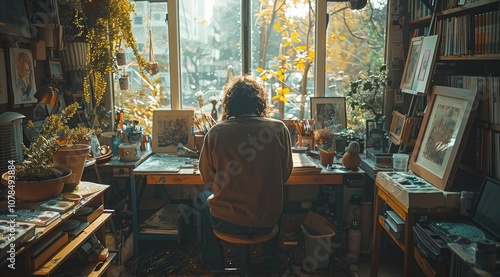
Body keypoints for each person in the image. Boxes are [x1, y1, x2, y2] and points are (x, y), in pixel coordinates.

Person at [197, 75, 293, 269]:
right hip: (266, 222)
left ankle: (214, 265)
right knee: (279, 199)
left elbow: (208, 179)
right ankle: (269, 260)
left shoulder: (216, 132)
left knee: (202, 198)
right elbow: (284, 175)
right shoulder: (278, 129)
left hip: (227, 223)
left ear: (229, 104)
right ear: (260, 102)